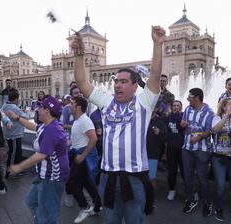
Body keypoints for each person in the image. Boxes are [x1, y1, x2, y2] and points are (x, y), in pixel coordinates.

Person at [71, 25, 165, 224]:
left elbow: (155, 76)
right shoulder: (106, 103)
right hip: (109, 178)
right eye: (116, 81)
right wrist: (78, 56)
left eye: (123, 81)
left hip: (135, 178)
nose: (117, 85)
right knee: (111, 221)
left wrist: (157, 45)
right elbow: (82, 83)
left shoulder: (144, 103)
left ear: (134, 86)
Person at [6, 95, 70, 224]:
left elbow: (41, 155)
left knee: (47, 211)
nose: (37, 109)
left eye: (40, 107)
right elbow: (32, 126)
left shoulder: (52, 130)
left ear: (47, 110)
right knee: (31, 201)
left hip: (52, 178)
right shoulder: (46, 125)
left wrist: (18, 167)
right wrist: (17, 117)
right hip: (43, 175)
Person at [65, 96, 102, 223]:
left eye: (72, 103)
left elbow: (94, 139)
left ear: (78, 107)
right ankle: (97, 206)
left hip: (82, 157)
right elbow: (77, 140)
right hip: (77, 154)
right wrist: (66, 143)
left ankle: (84, 206)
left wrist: (83, 155)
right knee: (88, 183)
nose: (69, 105)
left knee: (72, 183)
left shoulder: (85, 120)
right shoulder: (77, 121)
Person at [180, 87, 215, 216]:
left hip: (202, 150)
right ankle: (190, 200)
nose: (188, 99)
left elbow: (210, 130)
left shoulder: (209, 112)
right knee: (188, 177)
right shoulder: (188, 109)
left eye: (190, 97)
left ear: (197, 98)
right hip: (187, 149)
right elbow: (183, 123)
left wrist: (199, 137)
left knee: (202, 178)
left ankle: (207, 202)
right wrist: (183, 124)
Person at [2, 90, 29, 178]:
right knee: (14, 154)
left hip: (9, 134)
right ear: (16, 99)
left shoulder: (4, 106)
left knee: (11, 152)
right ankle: (10, 173)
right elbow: (26, 117)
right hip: (15, 135)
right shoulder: (14, 107)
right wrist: (26, 112)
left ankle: (13, 171)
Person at [165, 100, 185, 201]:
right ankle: (172, 190)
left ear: (181, 107)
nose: (175, 107)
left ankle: (189, 191)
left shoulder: (184, 117)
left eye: (178, 105)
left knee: (184, 171)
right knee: (171, 172)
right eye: (174, 105)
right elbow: (164, 131)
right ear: (171, 107)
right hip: (171, 150)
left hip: (182, 150)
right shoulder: (168, 118)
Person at [147, 107, 168, 186]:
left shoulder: (160, 122)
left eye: (152, 107)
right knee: (140, 177)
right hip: (140, 154)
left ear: (156, 109)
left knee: (151, 177)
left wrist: (159, 133)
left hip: (153, 154)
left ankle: (150, 197)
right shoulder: (142, 119)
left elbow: (166, 138)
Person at [0, 108, 12, 195]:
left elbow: (4, 117)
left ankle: (1, 186)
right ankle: (1, 185)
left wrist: (7, 122)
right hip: (0, 143)